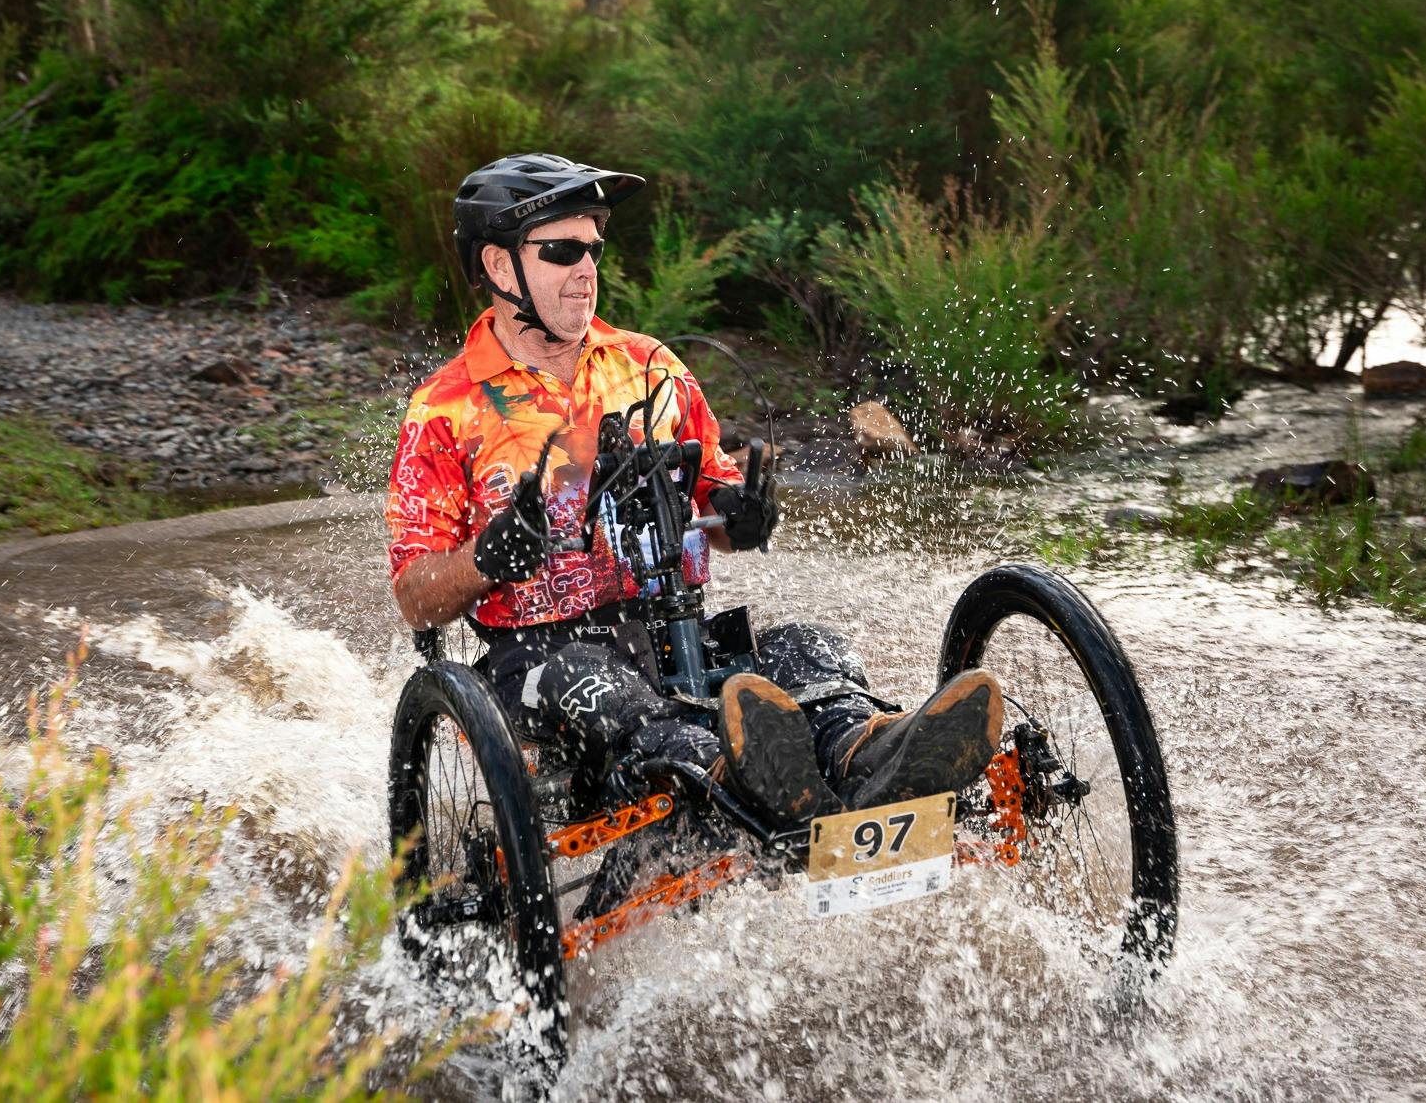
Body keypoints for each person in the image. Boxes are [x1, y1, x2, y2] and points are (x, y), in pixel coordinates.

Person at [386, 153, 1004, 832]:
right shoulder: (444, 409)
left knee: (807, 650)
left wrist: (743, 517)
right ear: (500, 267)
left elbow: (714, 503)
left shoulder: (652, 366)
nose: (587, 269)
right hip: (540, 663)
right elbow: (416, 596)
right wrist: (488, 556)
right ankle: (731, 779)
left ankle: (869, 751)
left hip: (673, 635)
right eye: (563, 251)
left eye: (593, 248)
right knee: (600, 685)